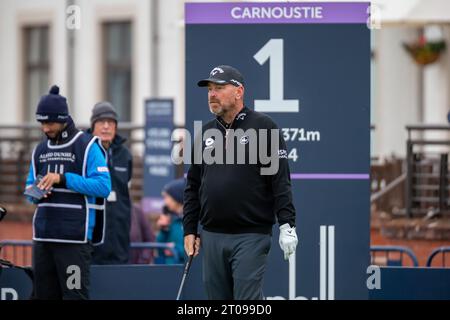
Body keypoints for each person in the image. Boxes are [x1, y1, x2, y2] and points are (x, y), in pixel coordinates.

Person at [183, 65, 298, 300]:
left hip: (251, 234)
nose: (212, 94)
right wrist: (189, 229)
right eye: (210, 90)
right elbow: (193, 186)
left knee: (246, 301)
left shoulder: (264, 126)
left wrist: (287, 224)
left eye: (219, 88)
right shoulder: (205, 133)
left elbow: (280, 181)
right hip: (212, 235)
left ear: (239, 91)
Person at [25, 85, 111, 300]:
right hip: (43, 238)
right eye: (42, 122)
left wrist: (62, 179)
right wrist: (35, 191)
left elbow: (103, 187)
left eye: (50, 122)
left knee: (74, 296)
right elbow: (27, 191)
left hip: (74, 240)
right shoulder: (40, 150)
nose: (45, 128)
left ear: (64, 118)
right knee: (43, 296)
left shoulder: (87, 145)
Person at [89, 102, 133, 265]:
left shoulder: (125, 154)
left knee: (119, 283)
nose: (106, 127)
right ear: (93, 125)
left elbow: (126, 188)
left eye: (111, 122)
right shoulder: (84, 150)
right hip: (92, 232)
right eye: (101, 122)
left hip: (119, 233)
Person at [155, 178, 186, 265]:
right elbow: (160, 249)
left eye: (166, 197)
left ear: (176, 198)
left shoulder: (192, 220)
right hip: (169, 271)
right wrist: (163, 230)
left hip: (186, 272)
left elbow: (196, 250)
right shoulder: (172, 220)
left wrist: (175, 249)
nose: (165, 202)